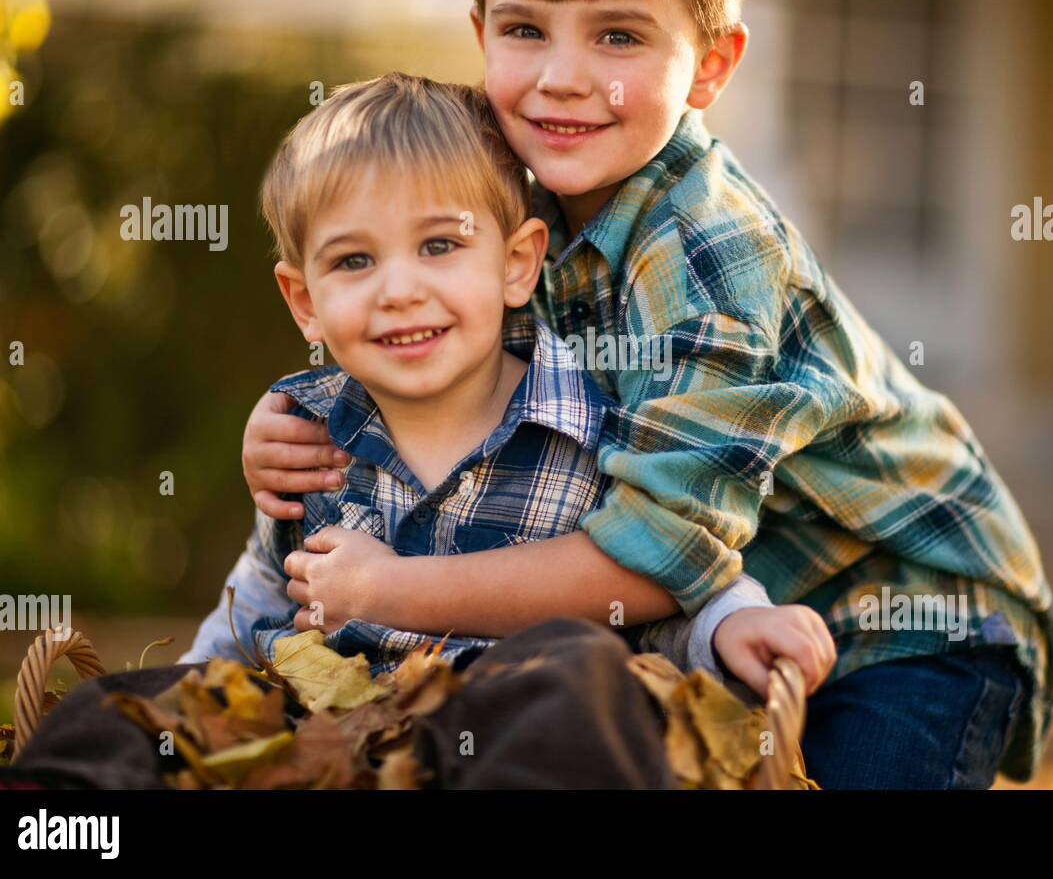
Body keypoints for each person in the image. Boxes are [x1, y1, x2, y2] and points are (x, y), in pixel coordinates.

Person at [240, 0, 1053, 788]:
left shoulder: (710, 255)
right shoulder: (525, 169)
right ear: (483, 34)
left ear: (711, 64)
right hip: (747, 618)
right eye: (527, 30)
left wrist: (395, 589)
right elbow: (427, 320)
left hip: (913, 616)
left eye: (619, 36)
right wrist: (306, 410)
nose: (563, 78)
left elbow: (655, 560)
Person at [182, 71, 836, 701]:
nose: (401, 291)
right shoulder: (307, 444)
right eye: (355, 261)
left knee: (578, 671)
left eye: (439, 246)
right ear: (305, 302)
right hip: (340, 756)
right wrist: (180, 700)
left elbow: (672, 580)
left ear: (517, 265)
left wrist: (734, 622)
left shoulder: (591, 436)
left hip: (521, 752)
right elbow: (256, 602)